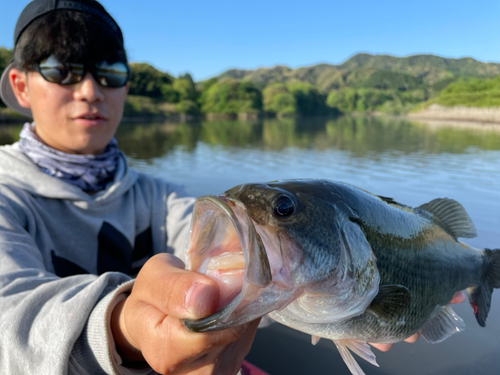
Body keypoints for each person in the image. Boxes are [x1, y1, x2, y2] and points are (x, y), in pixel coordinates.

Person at [0, 1, 464, 374]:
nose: (89, 91)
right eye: (63, 70)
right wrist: (122, 327)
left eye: (110, 74)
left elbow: (210, 240)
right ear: (20, 86)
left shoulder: (157, 196)